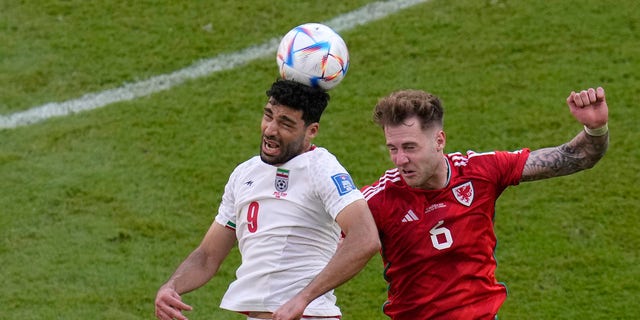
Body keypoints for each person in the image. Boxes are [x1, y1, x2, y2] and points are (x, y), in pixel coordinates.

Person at [361, 87, 609, 319]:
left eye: (410, 147)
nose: (400, 159)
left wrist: (595, 128)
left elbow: (576, 156)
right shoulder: (377, 200)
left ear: (439, 141)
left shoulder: (479, 172)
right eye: (392, 148)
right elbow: (328, 241)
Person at [155, 79, 380, 320]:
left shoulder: (322, 169)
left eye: (285, 123)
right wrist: (172, 287)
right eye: (268, 116)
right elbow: (208, 255)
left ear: (311, 131)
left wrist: (302, 299)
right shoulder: (244, 174)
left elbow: (365, 238)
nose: (270, 129)